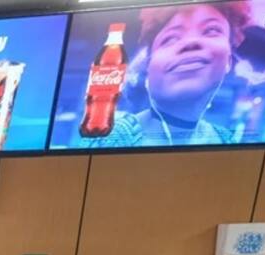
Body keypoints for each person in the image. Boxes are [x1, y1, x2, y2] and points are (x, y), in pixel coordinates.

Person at [84, 3, 250, 148]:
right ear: (147, 67)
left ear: (228, 60)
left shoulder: (226, 140)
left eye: (211, 30)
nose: (190, 42)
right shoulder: (116, 136)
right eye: (170, 38)